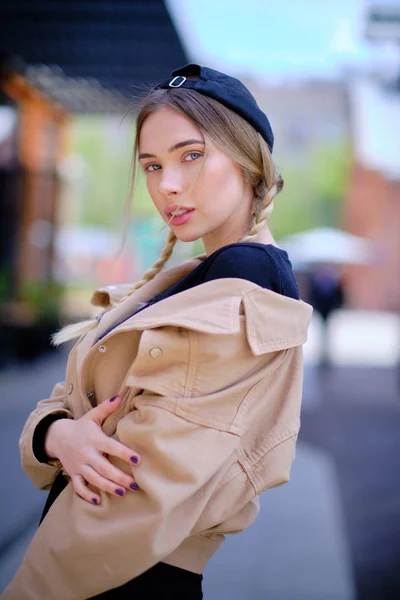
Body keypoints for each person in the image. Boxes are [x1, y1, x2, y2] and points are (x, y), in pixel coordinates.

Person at [3, 64, 313, 599]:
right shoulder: (198, 280)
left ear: (247, 160)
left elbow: (132, 490)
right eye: (151, 165)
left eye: (191, 155)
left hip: (115, 575)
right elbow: (61, 404)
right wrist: (58, 435)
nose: (166, 185)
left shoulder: (243, 289)